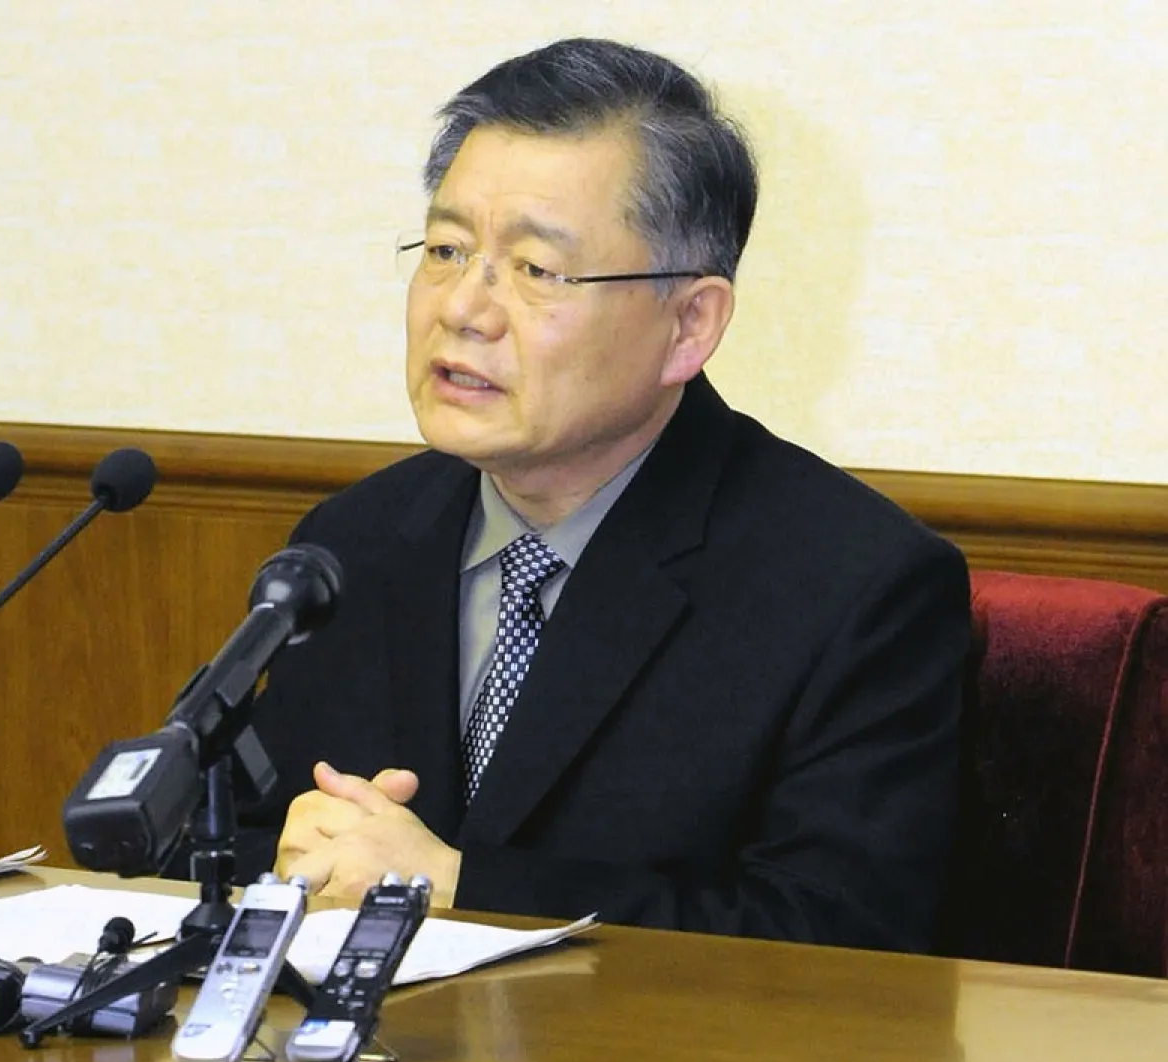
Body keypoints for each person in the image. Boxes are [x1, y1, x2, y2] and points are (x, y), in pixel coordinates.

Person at [236, 36, 971, 952]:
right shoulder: (356, 543)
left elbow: (837, 941)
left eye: (538, 270)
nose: (465, 307)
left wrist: (465, 886)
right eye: (445, 248)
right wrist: (286, 855)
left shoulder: (853, 589)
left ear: (688, 325)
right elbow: (232, 830)